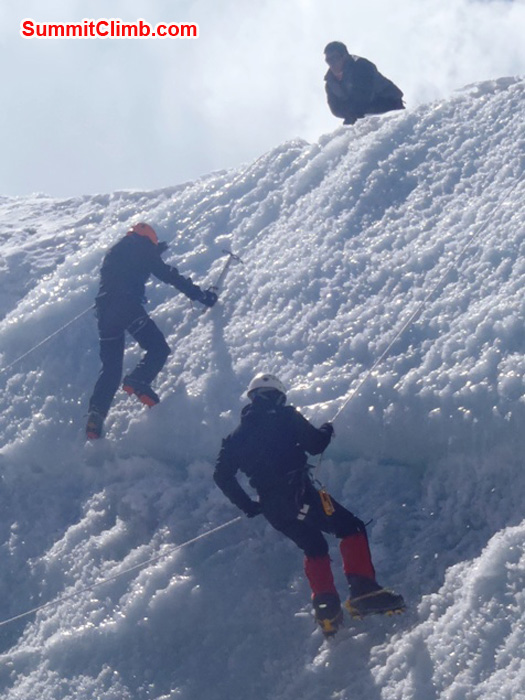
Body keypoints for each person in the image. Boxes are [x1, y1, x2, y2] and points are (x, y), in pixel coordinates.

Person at [213, 373, 405, 637]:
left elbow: (221, 476)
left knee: (314, 546)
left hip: (274, 510)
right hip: (299, 495)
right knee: (351, 528)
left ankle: (327, 610)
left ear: (252, 398)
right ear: (279, 396)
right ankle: (363, 592)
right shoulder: (285, 416)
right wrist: (327, 430)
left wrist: (248, 506)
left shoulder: (235, 437)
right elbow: (315, 444)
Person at [85, 222, 217, 439]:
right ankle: (138, 379)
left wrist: (152, 254)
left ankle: (96, 414)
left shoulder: (115, 252)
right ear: (148, 239)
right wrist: (201, 296)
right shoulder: (143, 249)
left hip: (104, 312)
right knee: (158, 348)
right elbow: (169, 275)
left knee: (111, 369)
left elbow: (129, 269)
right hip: (126, 306)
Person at [324, 41, 404, 125]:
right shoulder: (331, 82)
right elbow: (335, 109)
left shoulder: (362, 66)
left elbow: (363, 97)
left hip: (388, 105)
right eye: (328, 60)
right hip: (360, 113)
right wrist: (350, 113)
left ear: (345, 56)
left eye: (335, 58)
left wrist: (351, 110)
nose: (332, 63)